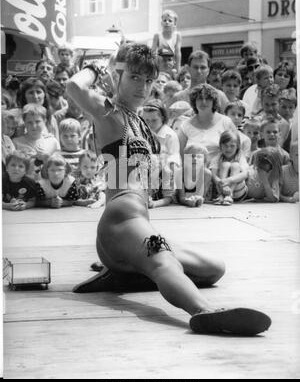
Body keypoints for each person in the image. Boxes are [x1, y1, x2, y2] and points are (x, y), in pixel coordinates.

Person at [66, 42, 271, 336]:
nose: (143, 87)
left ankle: (125, 273)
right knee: (163, 260)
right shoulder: (107, 112)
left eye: (148, 80)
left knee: (213, 268)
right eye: (134, 77)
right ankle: (203, 311)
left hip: (138, 224)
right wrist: (97, 68)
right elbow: (74, 87)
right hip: (119, 221)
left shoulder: (139, 120)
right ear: (117, 76)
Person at [177, 84, 236, 166]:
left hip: (220, 170)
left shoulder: (226, 122)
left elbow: (237, 149)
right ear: (194, 101)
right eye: (200, 99)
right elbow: (180, 155)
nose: (203, 102)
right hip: (193, 172)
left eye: (208, 99)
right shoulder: (185, 125)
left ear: (214, 102)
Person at [13, 104, 60, 179]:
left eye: (37, 121)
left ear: (45, 121)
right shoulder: (16, 142)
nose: (34, 126)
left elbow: (59, 167)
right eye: (29, 122)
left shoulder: (52, 142)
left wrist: (47, 159)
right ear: (24, 122)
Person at [210, 130, 249, 206]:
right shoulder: (217, 158)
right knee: (225, 165)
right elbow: (213, 175)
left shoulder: (240, 157)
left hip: (238, 192)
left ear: (237, 146)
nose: (228, 149)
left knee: (235, 165)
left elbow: (245, 174)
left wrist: (228, 180)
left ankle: (229, 195)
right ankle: (222, 195)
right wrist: (222, 184)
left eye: (232, 146)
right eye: (225, 145)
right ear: (220, 145)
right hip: (221, 189)